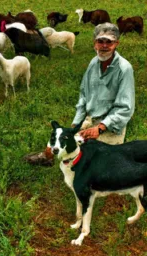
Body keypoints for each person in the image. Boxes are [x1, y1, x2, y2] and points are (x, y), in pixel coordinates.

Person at [25, 22, 135, 166]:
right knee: (64, 137)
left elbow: (125, 108)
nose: (104, 46)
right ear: (94, 43)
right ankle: (47, 156)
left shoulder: (124, 69)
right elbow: (84, 96)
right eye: (100, 41)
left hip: (110, 125)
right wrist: (76, 124)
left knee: (97, 163)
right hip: (91, 118)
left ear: (117, 43)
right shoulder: (94, 63)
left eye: (109, 42)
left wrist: (100, 128)